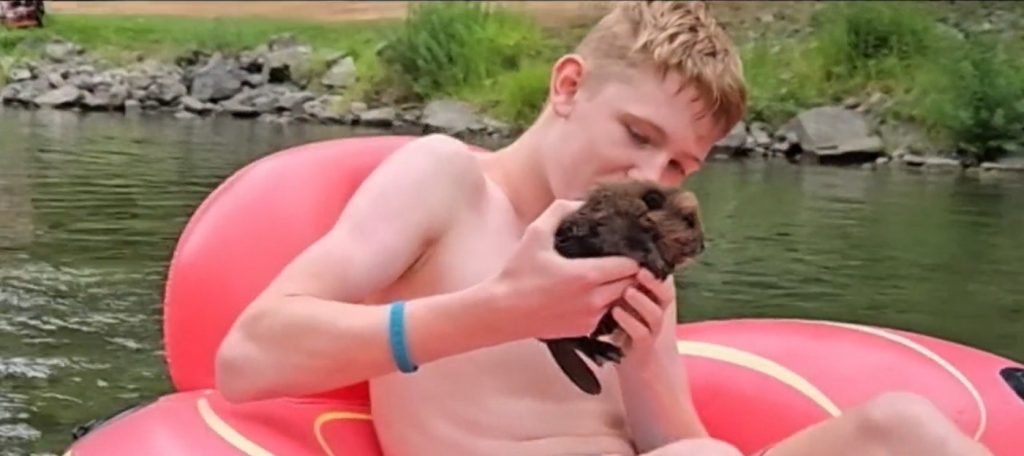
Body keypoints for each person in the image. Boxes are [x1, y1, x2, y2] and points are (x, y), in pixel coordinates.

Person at [215, 2, 993, 455]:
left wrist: (650, 358)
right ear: (568, 85)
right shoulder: (445, 181)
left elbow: (670, 440)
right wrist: (501, 311)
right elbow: (248, 357)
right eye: (637, 135)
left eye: (682, 165)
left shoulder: (631, 249)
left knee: (905, 428)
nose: (652, 181)